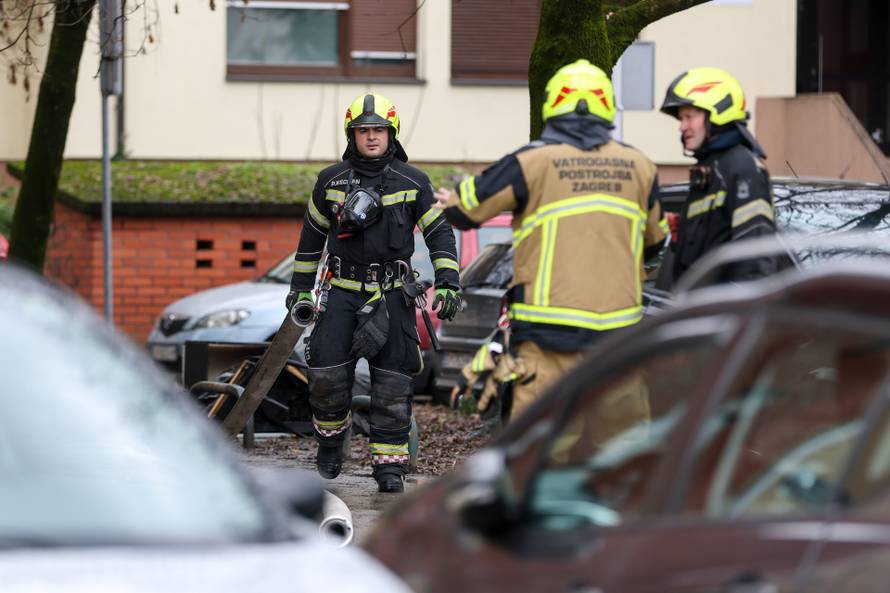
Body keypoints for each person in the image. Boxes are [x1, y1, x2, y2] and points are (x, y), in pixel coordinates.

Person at [433, 59, 668, 417]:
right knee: (621, 462)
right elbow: (655, 242)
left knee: (542, 460)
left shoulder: (532, 162)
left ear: (552, 105)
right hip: (618, 344)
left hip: (546, 342)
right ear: (606, 105)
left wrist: (452, 201)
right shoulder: (640, 167)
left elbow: (467, 209)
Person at [287, 93, 461, 493]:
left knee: (392, 383)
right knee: (326, 376)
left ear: (391, 134)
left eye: (378, 130)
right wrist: (300, 291)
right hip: (341, 293)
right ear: (352, 135)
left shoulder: (413, 181)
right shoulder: (330, 181)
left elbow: (439, 232)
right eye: (363, 130)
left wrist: (449, 280)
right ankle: (331, 443)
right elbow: (311, 239)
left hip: (393, 295)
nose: (370, 137)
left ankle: (389, 466)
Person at [660, 67, 776, 285]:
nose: (682, 127)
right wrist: (681, 232)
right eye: (681, 119)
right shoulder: (713, 169)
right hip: (700, 312)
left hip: (723, 315)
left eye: (689, 117)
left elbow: (755, 257)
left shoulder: (742, 168)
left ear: (717, 113)